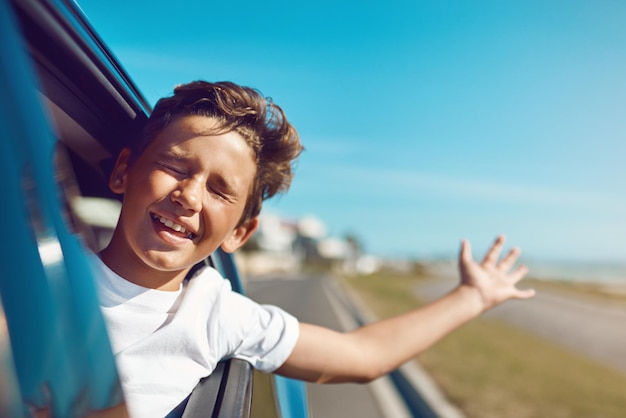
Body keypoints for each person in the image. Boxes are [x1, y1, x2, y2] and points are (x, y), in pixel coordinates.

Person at [91, 80, 535, 417]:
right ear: (123, 173)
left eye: (220, 190)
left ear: (239, 235)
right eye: (173, 165)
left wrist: (472, 297)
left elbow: (363, 357)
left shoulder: (218, 313)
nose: (188, 196)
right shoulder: (34, 268)